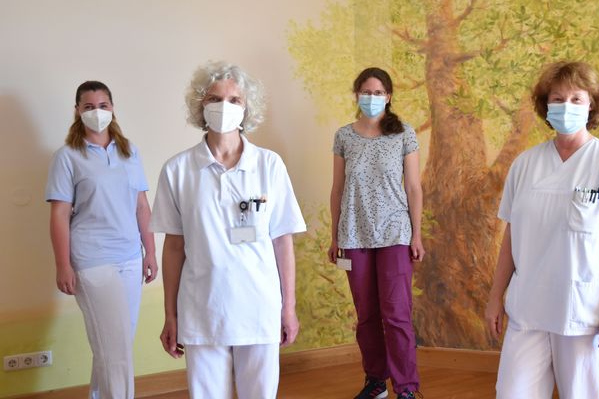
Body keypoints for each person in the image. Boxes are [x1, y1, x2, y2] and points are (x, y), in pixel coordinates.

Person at [484, 61, 599, 399]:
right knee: (512, 393)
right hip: (528, 311)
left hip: (582, 314)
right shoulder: (525, 165)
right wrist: (494, 297)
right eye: (558, 98)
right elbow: (511, 239)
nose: (566, 106)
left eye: (577, 98)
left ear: (592, 105)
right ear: (546, 105)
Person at [151, 62, 306, 398]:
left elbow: (283, 242)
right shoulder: (178, 170)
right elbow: (174, 248)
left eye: (234, 99)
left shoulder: (269, 165)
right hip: (203, 309)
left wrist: (288, 307)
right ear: (200, 106)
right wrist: (170, 314)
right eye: (214, 98)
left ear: (247, 107)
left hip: (259, 307)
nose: (224, 106)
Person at [45, 81, 157, 398]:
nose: (97, 112)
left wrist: (150, 252)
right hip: (92, 260)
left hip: (130, 259)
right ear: (77, 111)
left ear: (113, 108)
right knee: (115, 350)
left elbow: (141, 206)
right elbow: (58, 215)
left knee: (113, 347)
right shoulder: (67, 156)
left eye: (103, 105)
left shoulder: (128, 151)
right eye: (89, 106)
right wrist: (62, 264)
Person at [327, 67, 425, 399]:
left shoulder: (404, 134)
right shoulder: (343, 136)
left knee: (396, 314)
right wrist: (334, 236)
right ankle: (375, 382)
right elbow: (337, 189)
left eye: (378, 92)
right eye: (366, 92)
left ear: (389, 96)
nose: (372, 98)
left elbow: (413, 188)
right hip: (354, 234)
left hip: (395, 233)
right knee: (367, 316)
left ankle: (407, 387)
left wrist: (417, 235)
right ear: (356, 95)